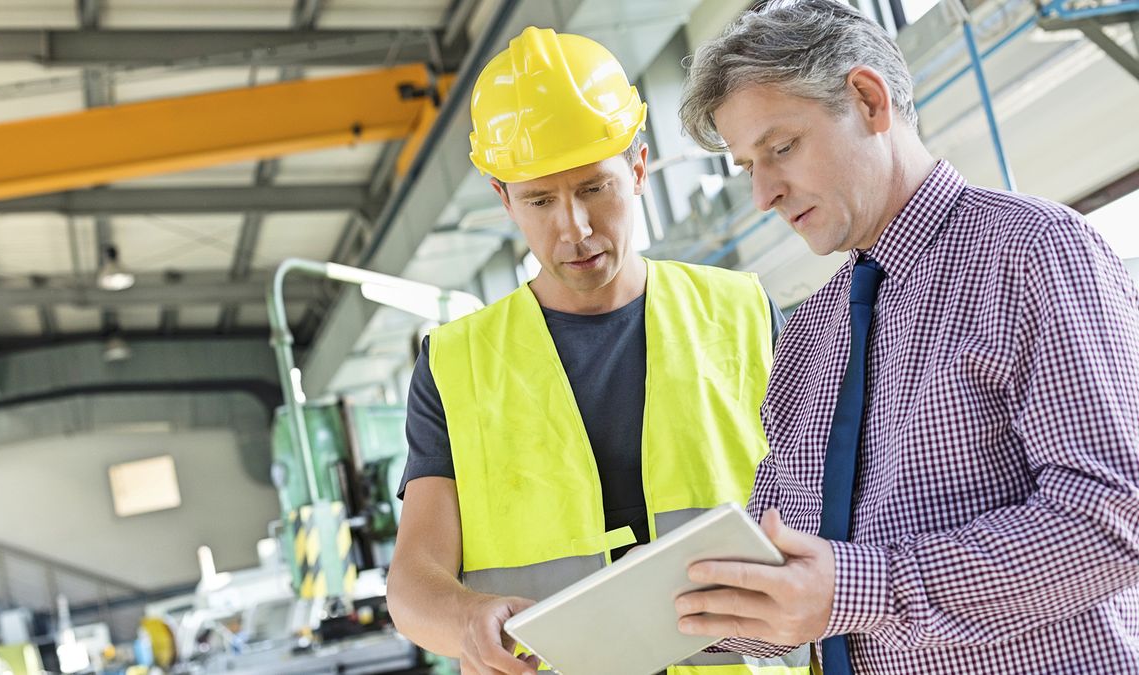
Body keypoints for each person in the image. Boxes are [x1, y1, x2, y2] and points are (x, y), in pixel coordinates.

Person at [673, 0, 1139, 671]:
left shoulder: (1033, 253)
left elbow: (1113, 517)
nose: (764, 195)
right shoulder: (809, 337)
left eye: (781, 148)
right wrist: (616, 626)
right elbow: (792, 588)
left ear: (868, 99)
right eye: (749, 165)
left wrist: (864, 587)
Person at [386, 25, 811, 675]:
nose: (574, 228)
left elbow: (831, 506)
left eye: (593, 188)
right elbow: (413, 580)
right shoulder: (454, 364)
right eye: (539, 200)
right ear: (503, 198)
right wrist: (467, 618)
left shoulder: (743, 312)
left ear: (638, 169)